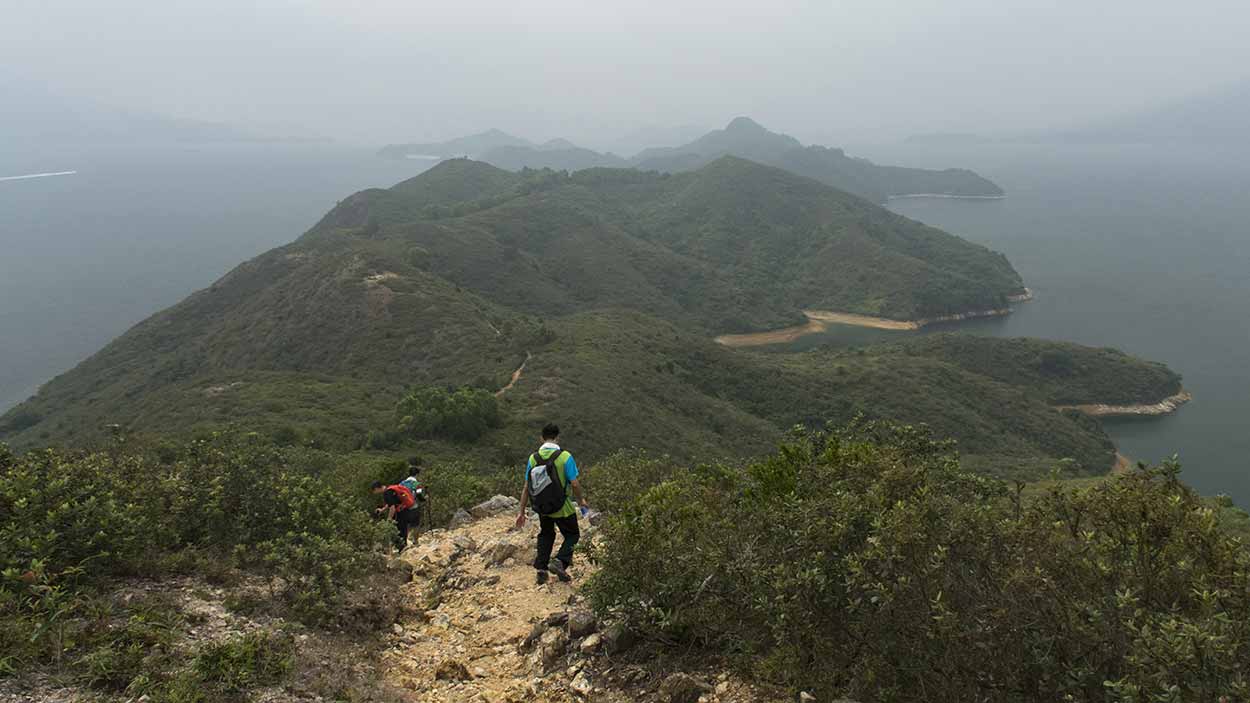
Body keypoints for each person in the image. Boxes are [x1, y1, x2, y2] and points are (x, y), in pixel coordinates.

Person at [515, 423, 589, 584]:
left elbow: (527, 487)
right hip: (562, 506)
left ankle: (541, 569)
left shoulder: (533, 458)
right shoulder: (565, 457)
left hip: (542, 507)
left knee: (546, 534)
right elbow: (574, 484)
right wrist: (580, 501)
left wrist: (521, 512)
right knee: (572, 534)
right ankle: (560, 561)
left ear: (541, 438)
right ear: (557, 437)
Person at [372, 480, 418, 551]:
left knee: (399, 531)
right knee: (403, 529)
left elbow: (392, 508)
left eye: (374, 491)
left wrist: (389, 520)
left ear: (376, 488)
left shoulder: (387, 493)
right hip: (404, 510)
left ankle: (402, 549)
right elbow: (391, 503)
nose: (375, 493)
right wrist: (382, 510)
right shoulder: (389, 489)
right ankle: (403, 547)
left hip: (399, 513)